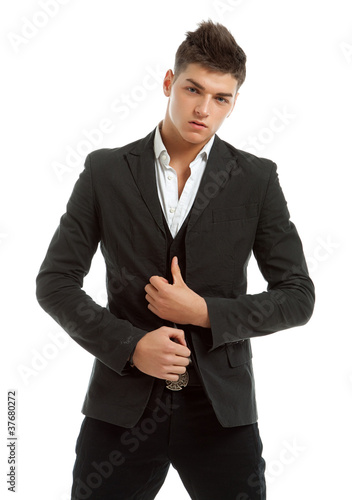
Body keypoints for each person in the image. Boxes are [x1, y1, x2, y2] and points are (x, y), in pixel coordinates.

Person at [36, 20, 315, 500]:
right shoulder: (104, 171)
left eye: (221, 98)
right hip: (120, 407)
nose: (204, 109)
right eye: (193, 89)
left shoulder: (257, 179)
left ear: (233, 104)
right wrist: (130, 346)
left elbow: (298, 297)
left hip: (221, 413)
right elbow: (56, 282)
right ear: (170, 83)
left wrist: (204, 312)